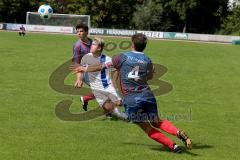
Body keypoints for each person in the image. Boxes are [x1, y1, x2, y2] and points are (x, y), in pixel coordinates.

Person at [71, 33, 192, 153]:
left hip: (132, 99)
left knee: (146, 127)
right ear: (143, 46)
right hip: (147, 95)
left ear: (132, 44)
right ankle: (178, 132)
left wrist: (85, 68)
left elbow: (101, 66)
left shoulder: (122, 57)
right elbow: (149, 77)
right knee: (157, 121)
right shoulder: (147, 60)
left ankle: (173, 146)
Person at [71, 37, 126, 119]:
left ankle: (130, 114)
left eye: (93, 45)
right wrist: (79, 79)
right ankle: (119, 114)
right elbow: (80, 69)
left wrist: (115, 83)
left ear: (99, 48)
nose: (91, 46)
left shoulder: (107, 59)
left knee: (119, 103)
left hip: (107, 86)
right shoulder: (86, 57)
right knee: (109, 108)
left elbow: (116, 69)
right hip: (96, 89)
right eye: (91, 44)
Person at [72, 23, 95, 111]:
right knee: (103, 90)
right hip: (86, 73)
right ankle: (109, 112)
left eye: (81, 31)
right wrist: (79, 79)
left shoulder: (92, 42)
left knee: (103, 90)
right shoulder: (77, 46)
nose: (79, 33)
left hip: (95, 70)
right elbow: (77, 63)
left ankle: (85, 98)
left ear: (86, 32)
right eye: (77, 32)